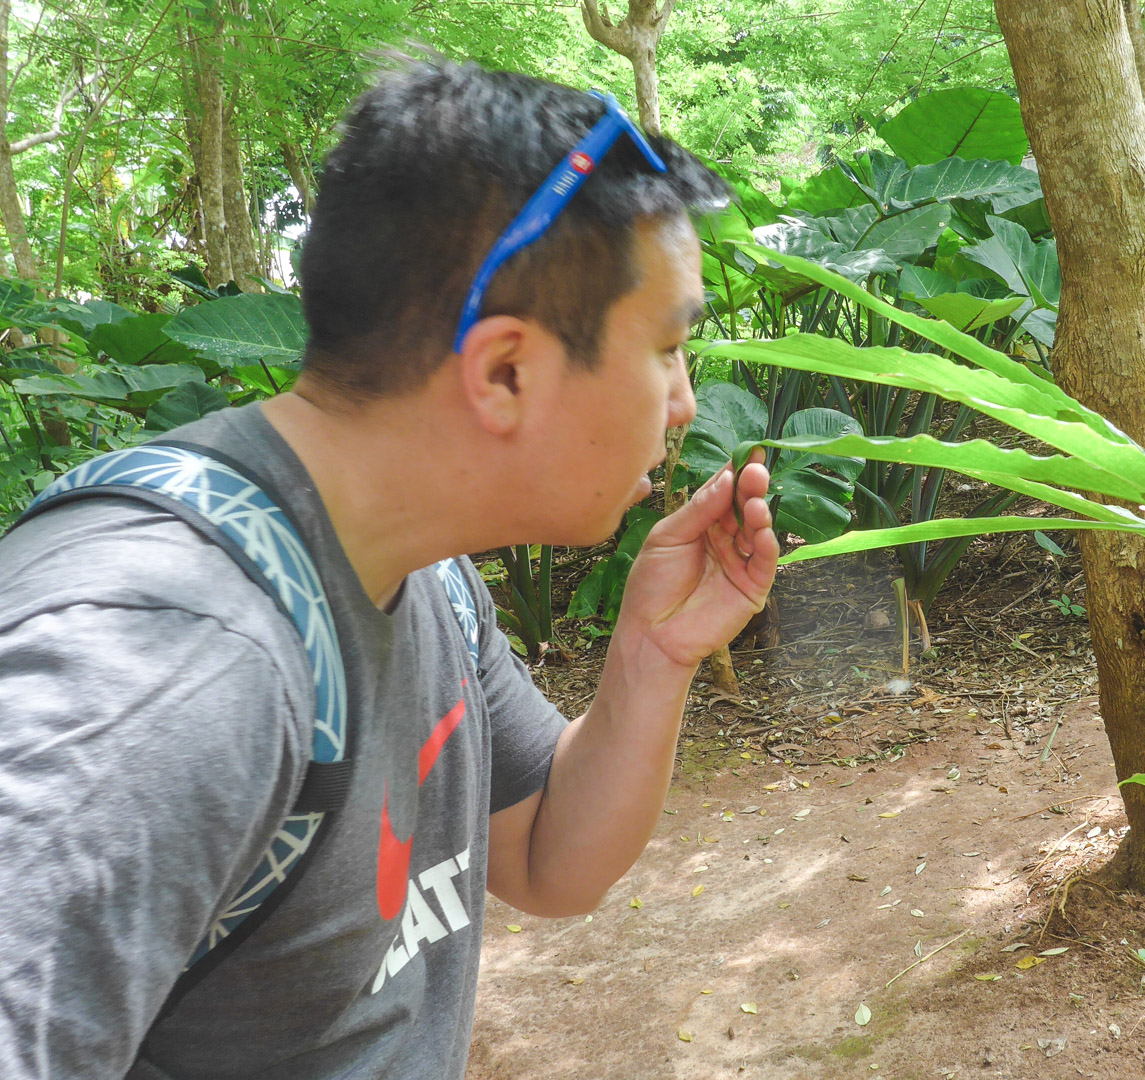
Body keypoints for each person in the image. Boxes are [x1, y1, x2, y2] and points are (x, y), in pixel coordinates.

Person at [0, 53, 777, 1079]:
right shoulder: (172, 654)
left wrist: (651, 656)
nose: (683, 402)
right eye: (667, 348)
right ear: (506, 371)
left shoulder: (419, 565)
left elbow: (549, 854)